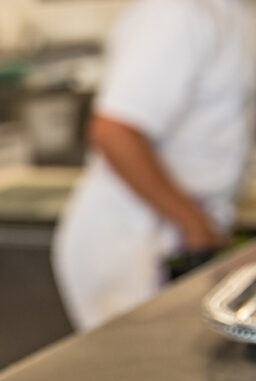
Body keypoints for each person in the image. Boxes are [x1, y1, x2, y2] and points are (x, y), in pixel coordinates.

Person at [52, 0, 256, 332]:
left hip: (186, 231)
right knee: (138, 369)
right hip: (134, 240)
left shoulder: (239, 14)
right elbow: (115, 133)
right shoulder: (176, 14)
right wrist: (194, 222)